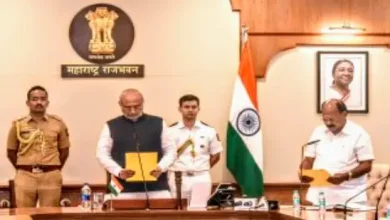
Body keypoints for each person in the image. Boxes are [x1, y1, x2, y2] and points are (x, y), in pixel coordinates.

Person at [96, 88, 176, 199]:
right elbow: (102, 154)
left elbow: (171, 151)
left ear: (143, 103)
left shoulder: (158, 122)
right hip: (119, 188)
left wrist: (161, 167)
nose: (133, 111)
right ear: (120, 104)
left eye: (137, 106)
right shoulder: (111, 125)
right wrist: (118, 171)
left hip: (157, 187)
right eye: (128, 107)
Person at [300, 99, 374, 205]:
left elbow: (367, 165)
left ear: (344, 114)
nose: (328, 123)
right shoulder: (318, 132)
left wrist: (346, 175)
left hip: (349, 198)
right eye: (325, 120)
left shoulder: (359, 134)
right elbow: (308, 158)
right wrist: (304, 171)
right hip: (317, 197)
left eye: (332, 119)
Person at [7, 85, 71, 207]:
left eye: (42, 99)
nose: (39, 102)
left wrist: (52, 168)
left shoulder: (58, 123)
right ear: (28, 102)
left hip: (50, 176)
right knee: (23, 216)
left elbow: (64, 151)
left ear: (47, 102)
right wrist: (24, 168)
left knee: (50, 216)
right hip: (25, 176)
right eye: (34, 99)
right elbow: (11, 151)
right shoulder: (18, 124)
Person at [167, 94, 223, 199]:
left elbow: (216, 155)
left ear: (198, 109)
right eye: (186, 107)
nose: (190, 110)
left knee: (201, 211)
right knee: (177, 210)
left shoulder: (209, 130)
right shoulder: (170, 131)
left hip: (201, 177)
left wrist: (201, 168)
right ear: (180, 109)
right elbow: (165, 155)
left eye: (194, 107)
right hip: (177, 178)